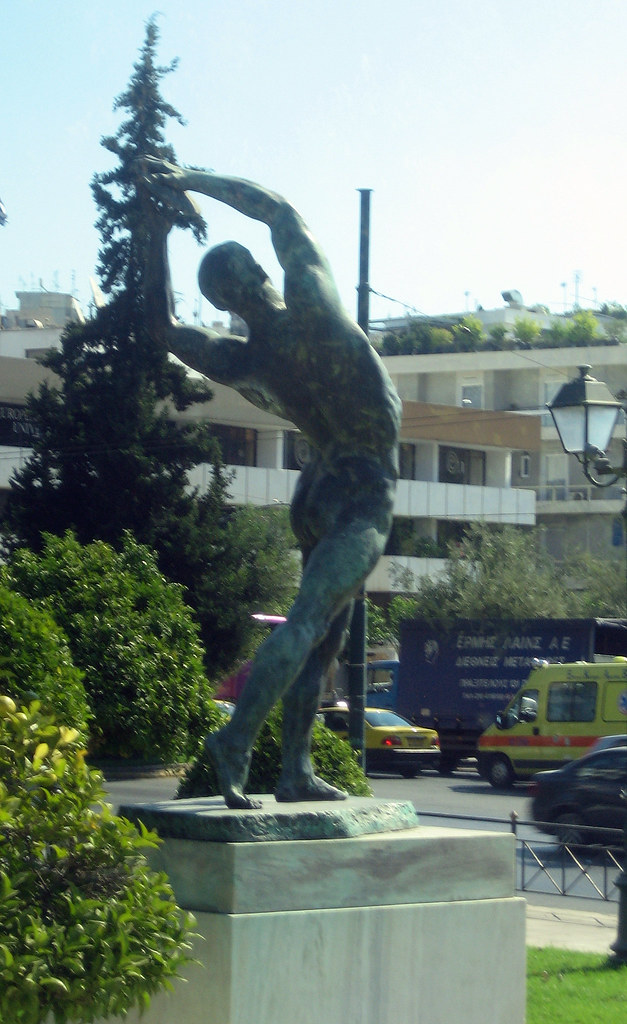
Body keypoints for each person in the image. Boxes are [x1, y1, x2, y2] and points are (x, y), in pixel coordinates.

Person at [142, 158, 401, 808]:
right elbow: (278, 210)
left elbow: (163, 330)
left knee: (324, 641)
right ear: (258, 275)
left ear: (225, 302)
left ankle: (293, 771)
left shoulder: (244, 359)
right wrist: (187, 177)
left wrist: (154, 229)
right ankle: (235, 741)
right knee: (311, 621)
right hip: (362, 487)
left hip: (314, 490)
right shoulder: (312, 301)